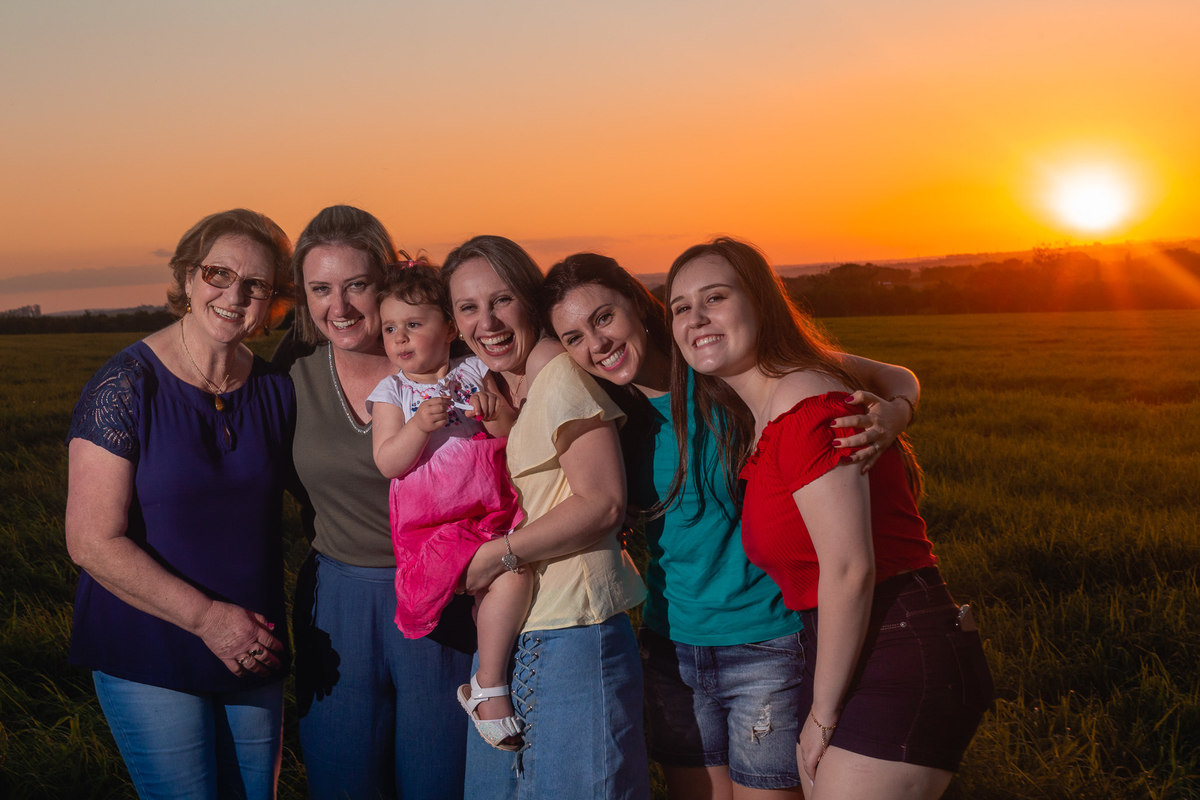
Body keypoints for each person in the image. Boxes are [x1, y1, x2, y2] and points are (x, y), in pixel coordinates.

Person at [543, 253, 921, 800]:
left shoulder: (723, 369)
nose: (594, 344)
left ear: (640, 305)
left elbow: (890, 375)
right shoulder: (605, 417)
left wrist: (896, 413)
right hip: (671, 645)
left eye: (603, 318)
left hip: (766, 642)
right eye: (573, 337)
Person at [665, 238, 993, 800]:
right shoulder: (780, 391)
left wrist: (820, 715)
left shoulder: (805, 403)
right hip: (847, 646)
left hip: (898, 648)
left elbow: (848, 568)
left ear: (761, 304)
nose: (696, 318)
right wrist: (900, 407)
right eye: (680, 307)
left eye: (714, 298)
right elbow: (897, 374)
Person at [64, 208, 295, 799]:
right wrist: (207, 620)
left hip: (253, 646)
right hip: (150, 644)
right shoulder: (124, 385)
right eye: (219, 273)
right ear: (188, 277)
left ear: (272, 302)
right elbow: (90, 540)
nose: (233, 294)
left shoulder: (274, 388)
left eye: (255, 285)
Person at [273, 205, 475, 800]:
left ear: (385, 282)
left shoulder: (449, 368)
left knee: (439, 779)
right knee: (343, 779)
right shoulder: (291, 373)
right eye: (320, 289)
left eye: (357, 285)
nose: (339, 307)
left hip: (446, 598)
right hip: (336, 602)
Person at [443, 235, 650, 800]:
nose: (487, 321)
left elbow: (602, 501)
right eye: (468, 307)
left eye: (501, 300)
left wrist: (495, 555)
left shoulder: (560, 377)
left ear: (529, 302)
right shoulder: (507, 389)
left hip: (575, 632)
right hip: (521, 632)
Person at [365, 261, 530, 751]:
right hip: (431, 521)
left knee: (509, 578)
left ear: (450, 328)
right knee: (502, 578)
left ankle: (492, 677)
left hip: (486, 508)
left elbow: (512, 435)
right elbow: (388, 463)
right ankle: (492, 684)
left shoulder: (475, 371)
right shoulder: (393, 391)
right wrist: (418, 427)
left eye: (413, 324)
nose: (399, 338)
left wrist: (494, 412)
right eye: (391, 327)